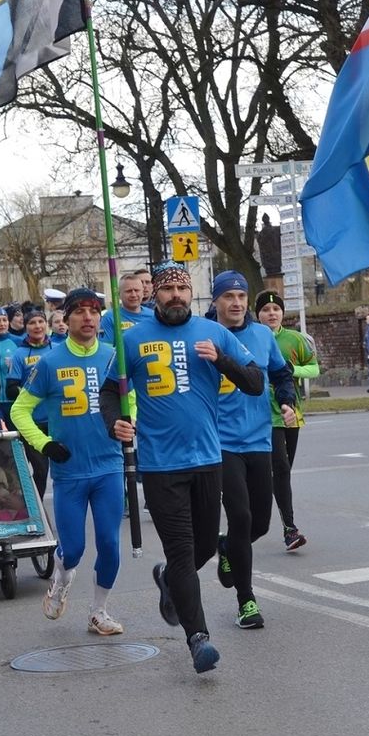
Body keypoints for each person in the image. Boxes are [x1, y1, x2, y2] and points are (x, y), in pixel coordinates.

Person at [100, 262, 263, 674]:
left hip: (209, 458)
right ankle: (198, 638)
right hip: (160, 466)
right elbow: (109, 393)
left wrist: (222, 359)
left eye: (182, 289)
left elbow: (255, 383)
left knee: (205, 548)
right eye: (168, 289)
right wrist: (114, 421)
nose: (176, 295)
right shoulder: (133, 340)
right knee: (182, 550)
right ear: (155, 293)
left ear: (192, 295)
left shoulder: (214, 334)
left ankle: (170, 580)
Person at [11, 288, 126, 635]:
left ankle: (98, 611)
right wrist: (45, 444)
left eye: (94, 311)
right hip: (70, 470)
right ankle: (61, 580)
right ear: (66, 319)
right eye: (80, 311)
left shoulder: (113, 357)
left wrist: (127, 423)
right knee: (73, 549)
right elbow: (20, 410)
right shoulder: (50, 362)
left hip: (109, 464)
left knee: (109, 543)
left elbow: (129, 397)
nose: (88, 317)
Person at [210, 272, 296, 630]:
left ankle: (227, 548)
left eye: (241, 296)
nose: (236, 302)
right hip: (221, 442)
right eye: (228, 295)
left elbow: (281, 373)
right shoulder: (204, 336)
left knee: (259, 523)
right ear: (215, 301)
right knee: (241, 517)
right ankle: (247, 601)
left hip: (259, 439)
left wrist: (288, 400)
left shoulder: (262, 335)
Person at [254, 289, 318, 551]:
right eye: (266, 310)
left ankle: (259, 496)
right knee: (279, 467)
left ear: (282, 313)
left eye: (276, 310)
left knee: (283, 471)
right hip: (263, 414)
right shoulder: (251, 338)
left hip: (291, 412)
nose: (271, 314)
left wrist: (293, 370)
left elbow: (314, 368)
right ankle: (290, 529)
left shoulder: (295, 339)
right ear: (258, 314)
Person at [6, 308, 55, 498]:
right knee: (41, 470)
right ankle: (38, 512)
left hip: (57, 420)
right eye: (32, 323)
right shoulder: (20, 354)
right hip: (33, 423)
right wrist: (32, 394)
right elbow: (11, 389)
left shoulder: (57, 349)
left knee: (64, 470)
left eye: (40, 322)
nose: (37, 326)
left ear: (46, 325)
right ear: (26, 327)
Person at [99, 272, 147, 341]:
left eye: (136, 290)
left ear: (142, 293)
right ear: (119, 294)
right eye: (128, 291)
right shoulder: (110, 318)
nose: (133, 295)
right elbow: (107, 348)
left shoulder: (153, 315)